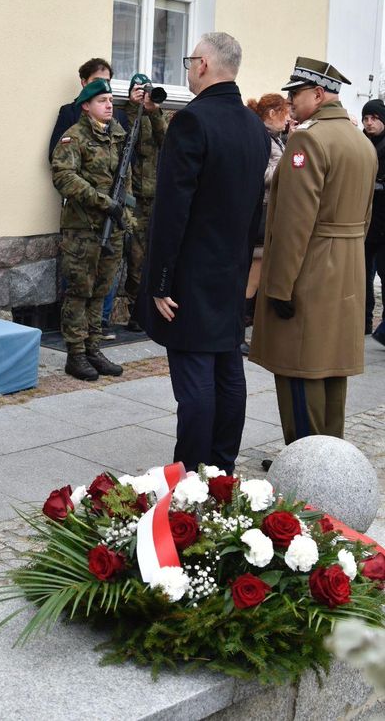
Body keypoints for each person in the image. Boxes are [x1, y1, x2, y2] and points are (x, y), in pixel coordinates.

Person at [140, 32, 270, 473]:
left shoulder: (192, 121)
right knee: (228, 371)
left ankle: (192, 473)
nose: (188, 68)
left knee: (196, 378)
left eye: (190, 59)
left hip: (191, 275)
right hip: (230, 270)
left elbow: (172, 209)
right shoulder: (255, 127)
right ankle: (222, 468)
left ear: (203, 65)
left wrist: (159, 281)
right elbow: (256, 210)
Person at [249, 57, 377, 452]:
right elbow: (365, 215)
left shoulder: (308, 139)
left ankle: (306, 459)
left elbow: (293, 222)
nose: (291, 102)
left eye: (296, 94)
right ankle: (330, 453)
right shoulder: (359, 140)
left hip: (309, 270)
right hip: (346, 267)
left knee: (300, 371)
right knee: (331, 372)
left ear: (318, 94)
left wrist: (280, 286)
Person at [51, 78, 130, 381]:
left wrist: (126, 217)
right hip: (83, 230)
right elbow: (64, 177)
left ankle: (93, 348)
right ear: (86, 106)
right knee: (79, 293)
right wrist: (102, 202)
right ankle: (75, 354)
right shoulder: (74, 138)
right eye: (101, 100)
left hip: (113, 229)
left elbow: (128, 183)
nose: (109, 105)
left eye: (110, 100)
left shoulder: (118, 138)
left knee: (101, 292)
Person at [241, 93, 289, 353]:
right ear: (272, 113)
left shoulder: (274, 138)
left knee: (257, 278)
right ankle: (238, 333)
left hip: (268, 212)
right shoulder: (262, 139)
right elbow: (261, 173)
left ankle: (247, 332)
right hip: (260, 213)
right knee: (252, 279)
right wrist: (288, 167)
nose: (288, 118)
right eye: (284, 112)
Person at [123, 73, 168, 331]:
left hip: (159, 196)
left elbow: (167, 141)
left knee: (156, 254)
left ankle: (152, 308)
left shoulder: (159, 115)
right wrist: (133, 107)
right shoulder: (128, 114)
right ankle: (135, 311)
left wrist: (153, 110)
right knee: (136, 257)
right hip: (137, 198)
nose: (145, 94)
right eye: (140, 90)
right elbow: (128, 140)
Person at [361, 99, 385, 342]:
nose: (369, 123)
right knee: (363, 277)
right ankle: (365, 323)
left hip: (382, 223)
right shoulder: (361, 143)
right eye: (366, 118)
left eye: (374, 118)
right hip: (366, 224)